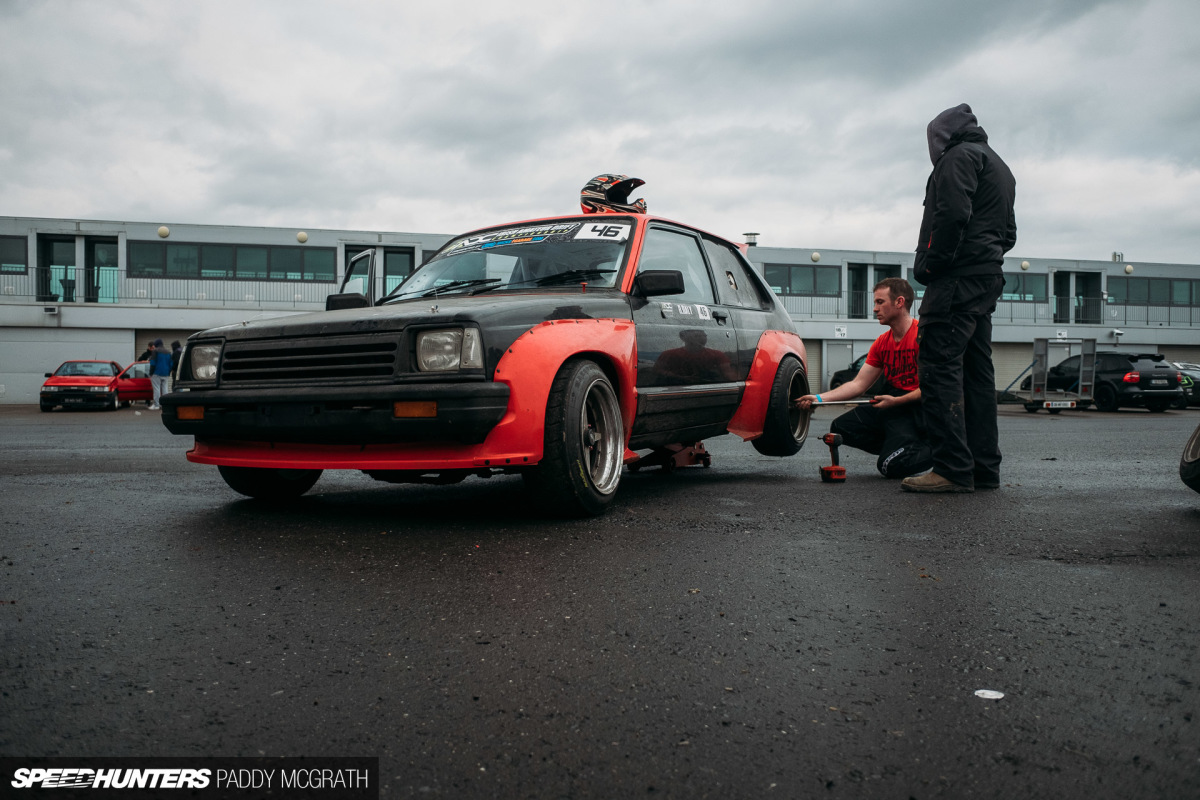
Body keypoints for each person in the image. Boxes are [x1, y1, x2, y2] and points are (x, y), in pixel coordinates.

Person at [902, 103, 1016, 493]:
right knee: (976, 373)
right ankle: (984, 469)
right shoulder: (1000, 166)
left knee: (938, 366)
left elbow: (951, 214)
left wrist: (934, 265)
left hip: (956, 279)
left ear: (940, 136)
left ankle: (950, 468)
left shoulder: (957, 157)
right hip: (987, 277)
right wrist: (984, 254)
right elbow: (1009, 234)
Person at [798, 278, 932, 479]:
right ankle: (898, 446)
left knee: (889, 466)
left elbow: (933, 387)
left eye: (880, 302)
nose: (875, 308)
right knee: (841, 428)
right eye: (875, 302)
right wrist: (818, 399)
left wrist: (897, 401)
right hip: (891, 403)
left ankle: (937, 450)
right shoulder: (882, 343)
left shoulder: (922, 336)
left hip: (915, 407)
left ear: (899, 302)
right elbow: (858, 384)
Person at [147, 338, 172, 410]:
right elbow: (171, 364)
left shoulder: (155, 351)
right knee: (165, 389)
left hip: (157, 373)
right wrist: (168, 372)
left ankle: (156, 405)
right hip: (165, 373)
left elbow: (153, 363)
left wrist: (151, 373)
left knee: (157, 389)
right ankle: (165, 405)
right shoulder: (168, 352)